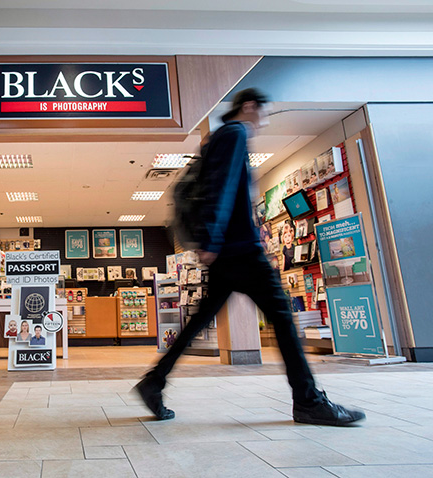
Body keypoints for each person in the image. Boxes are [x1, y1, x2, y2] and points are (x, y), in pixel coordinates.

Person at [136, 88, 365, 426]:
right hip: (239, 249)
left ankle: (154, 382)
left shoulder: (224, 137)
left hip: (230, 251)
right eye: (264, 112)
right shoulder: (234, 133)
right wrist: (211, 238)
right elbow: (221, 186)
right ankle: (308, 400)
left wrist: (213, 240)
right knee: (285, 321)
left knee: (199, 321)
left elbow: (220, 186)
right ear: (249, 106)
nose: (265, 120)